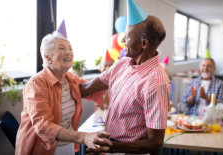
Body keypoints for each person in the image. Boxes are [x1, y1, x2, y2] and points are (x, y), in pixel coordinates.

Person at [79, 0, 171, 154]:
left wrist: (109, 146)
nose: (122, 41)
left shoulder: (156, 83)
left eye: (127, 37)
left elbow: (155, 143)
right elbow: (86, 88)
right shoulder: (122, 64)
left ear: (144, 43)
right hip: (111, 145)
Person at [15, 25, 112, 155]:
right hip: (42, 149)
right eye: (62, 48)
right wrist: (84, 137)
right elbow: (44, 126)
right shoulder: (37, 83)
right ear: (47, 57)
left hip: (68, 146)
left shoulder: (70, 79)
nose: (68, 52)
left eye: (70, 49)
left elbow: (94, 91)